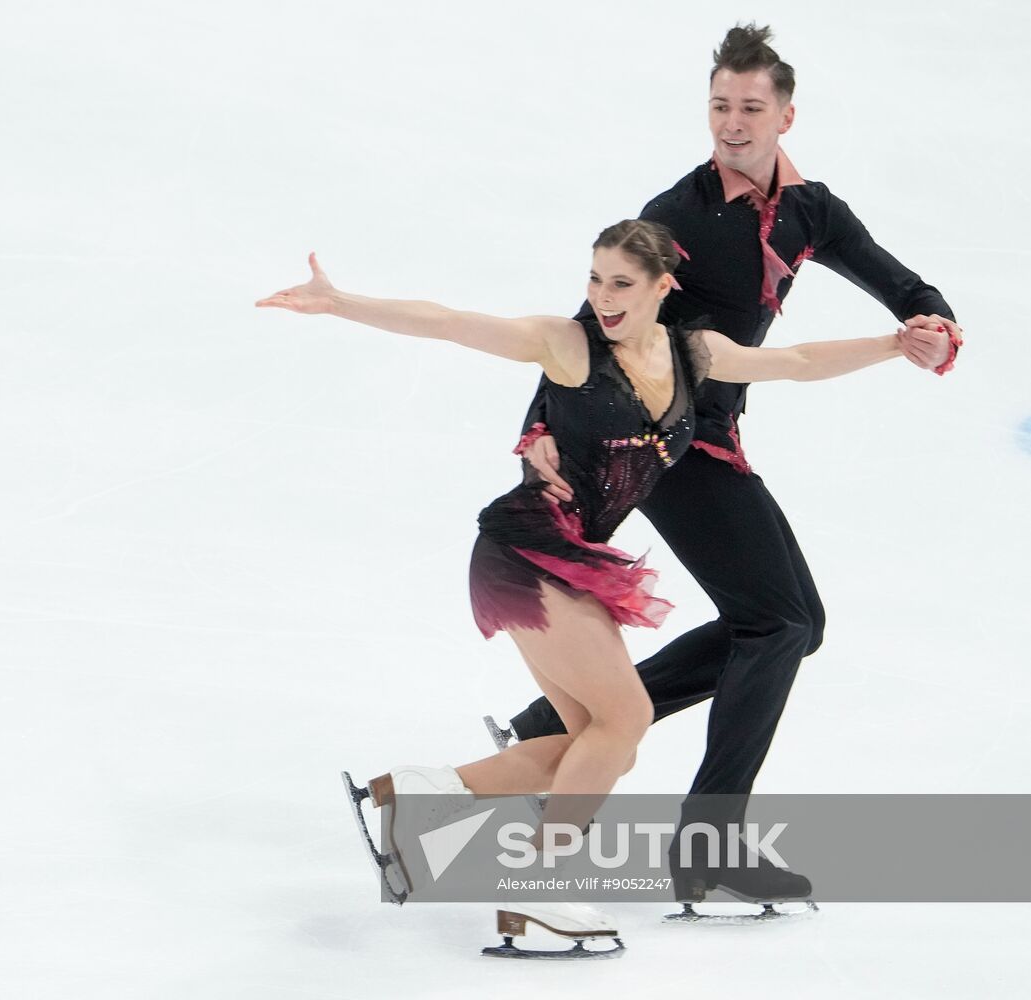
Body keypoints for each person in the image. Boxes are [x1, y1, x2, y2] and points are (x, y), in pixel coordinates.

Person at [257, 219, 922, 955]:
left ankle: (414, 795)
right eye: (594, 278)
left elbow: (796, 360)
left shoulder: (694, 353)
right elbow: (450, 324)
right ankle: (538, 892)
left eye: (620, 283)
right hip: (525, 553)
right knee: (622, 721)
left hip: (556, 560)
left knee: (588, 741)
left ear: (662, 286)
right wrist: (342, 301)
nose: (602, 297)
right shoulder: (569, 348)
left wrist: (894, 344)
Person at [495, 24, 963, 909]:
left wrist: (932, 324)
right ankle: (709, 842)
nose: (733, 124)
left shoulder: (810, 209)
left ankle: (552, 726)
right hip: (661, 437)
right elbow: (586, 322)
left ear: (786, 114)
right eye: (719, 107)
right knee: (778, 622)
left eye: (751, 108)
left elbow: (900, 283)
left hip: (715, 433)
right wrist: (536, 431)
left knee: (789, 623)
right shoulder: (676, 213)